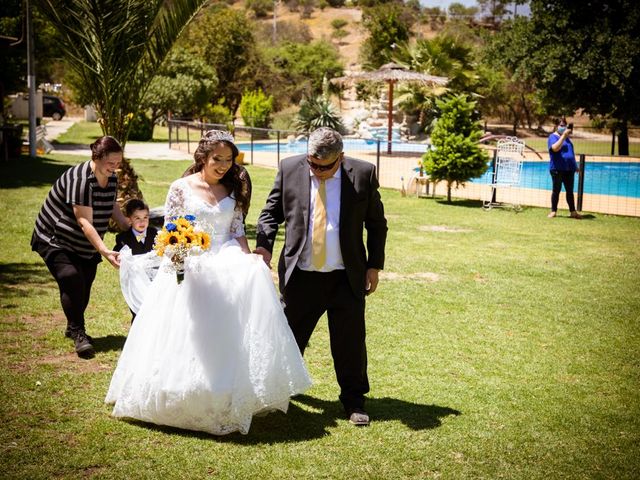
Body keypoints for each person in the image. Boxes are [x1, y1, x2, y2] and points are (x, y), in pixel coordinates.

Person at [105, 130, 311, 436]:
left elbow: (237, 229)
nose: (224, 165)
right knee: (187, 332)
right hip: (190, 260)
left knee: (226, 331)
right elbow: (173, 230)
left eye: (229, 160)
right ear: (203, 157)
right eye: (218, 159)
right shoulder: (180, 188)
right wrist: (180, 261)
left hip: (225, 258)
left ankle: (223, 390)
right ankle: (179, 392)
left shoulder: (234, 189)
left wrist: (247, 259)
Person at [255, 127, 388, 427]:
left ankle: (354, 401)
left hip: (346, 277)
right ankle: (278, 392)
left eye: (324, 167)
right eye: (312, 163)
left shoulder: (363, 174)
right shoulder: (290, 168)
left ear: (340, 158)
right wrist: (263, 247)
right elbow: (269, 213)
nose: (316, 170)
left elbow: (377, 224)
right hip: (301, 276)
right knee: (288, 338)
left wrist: (374, 266)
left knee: (350, 342)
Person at [31, 136, 129, 358]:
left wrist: (125, 224)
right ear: (96, 157)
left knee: (84, 285)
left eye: (118, 163)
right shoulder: (81, 179)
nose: (115, 168)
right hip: (56, 237)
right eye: (111, 163)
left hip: (85, 244)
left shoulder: (110, 177)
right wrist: (104, 250)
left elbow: (112, 204)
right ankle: (79, 333)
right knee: (71, 278)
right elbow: (84, 221)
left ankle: (72, 325)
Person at [113, 199, 158, 322]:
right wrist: (120, 258)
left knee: (155, 308)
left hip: (153, 279)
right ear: (129, 219)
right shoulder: (123, 238)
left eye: (145, 217)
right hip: (135, 282)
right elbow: (117, 255)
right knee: (138, 312)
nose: (142, 221)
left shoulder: (155, 234)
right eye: (137, 218)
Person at [547, 118, 582, 219]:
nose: (563, 127)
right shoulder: (552, 137)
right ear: (556, 126)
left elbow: (570, 153)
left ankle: (573, 212)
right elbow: (555, 148)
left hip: (569, 169)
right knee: (556, 190)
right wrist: (564, 135)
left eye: (565, 125)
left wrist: (575, 166)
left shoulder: (567, 139)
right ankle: (553, 211)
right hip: (557, 168)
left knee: (570, 191)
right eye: (561, 125)